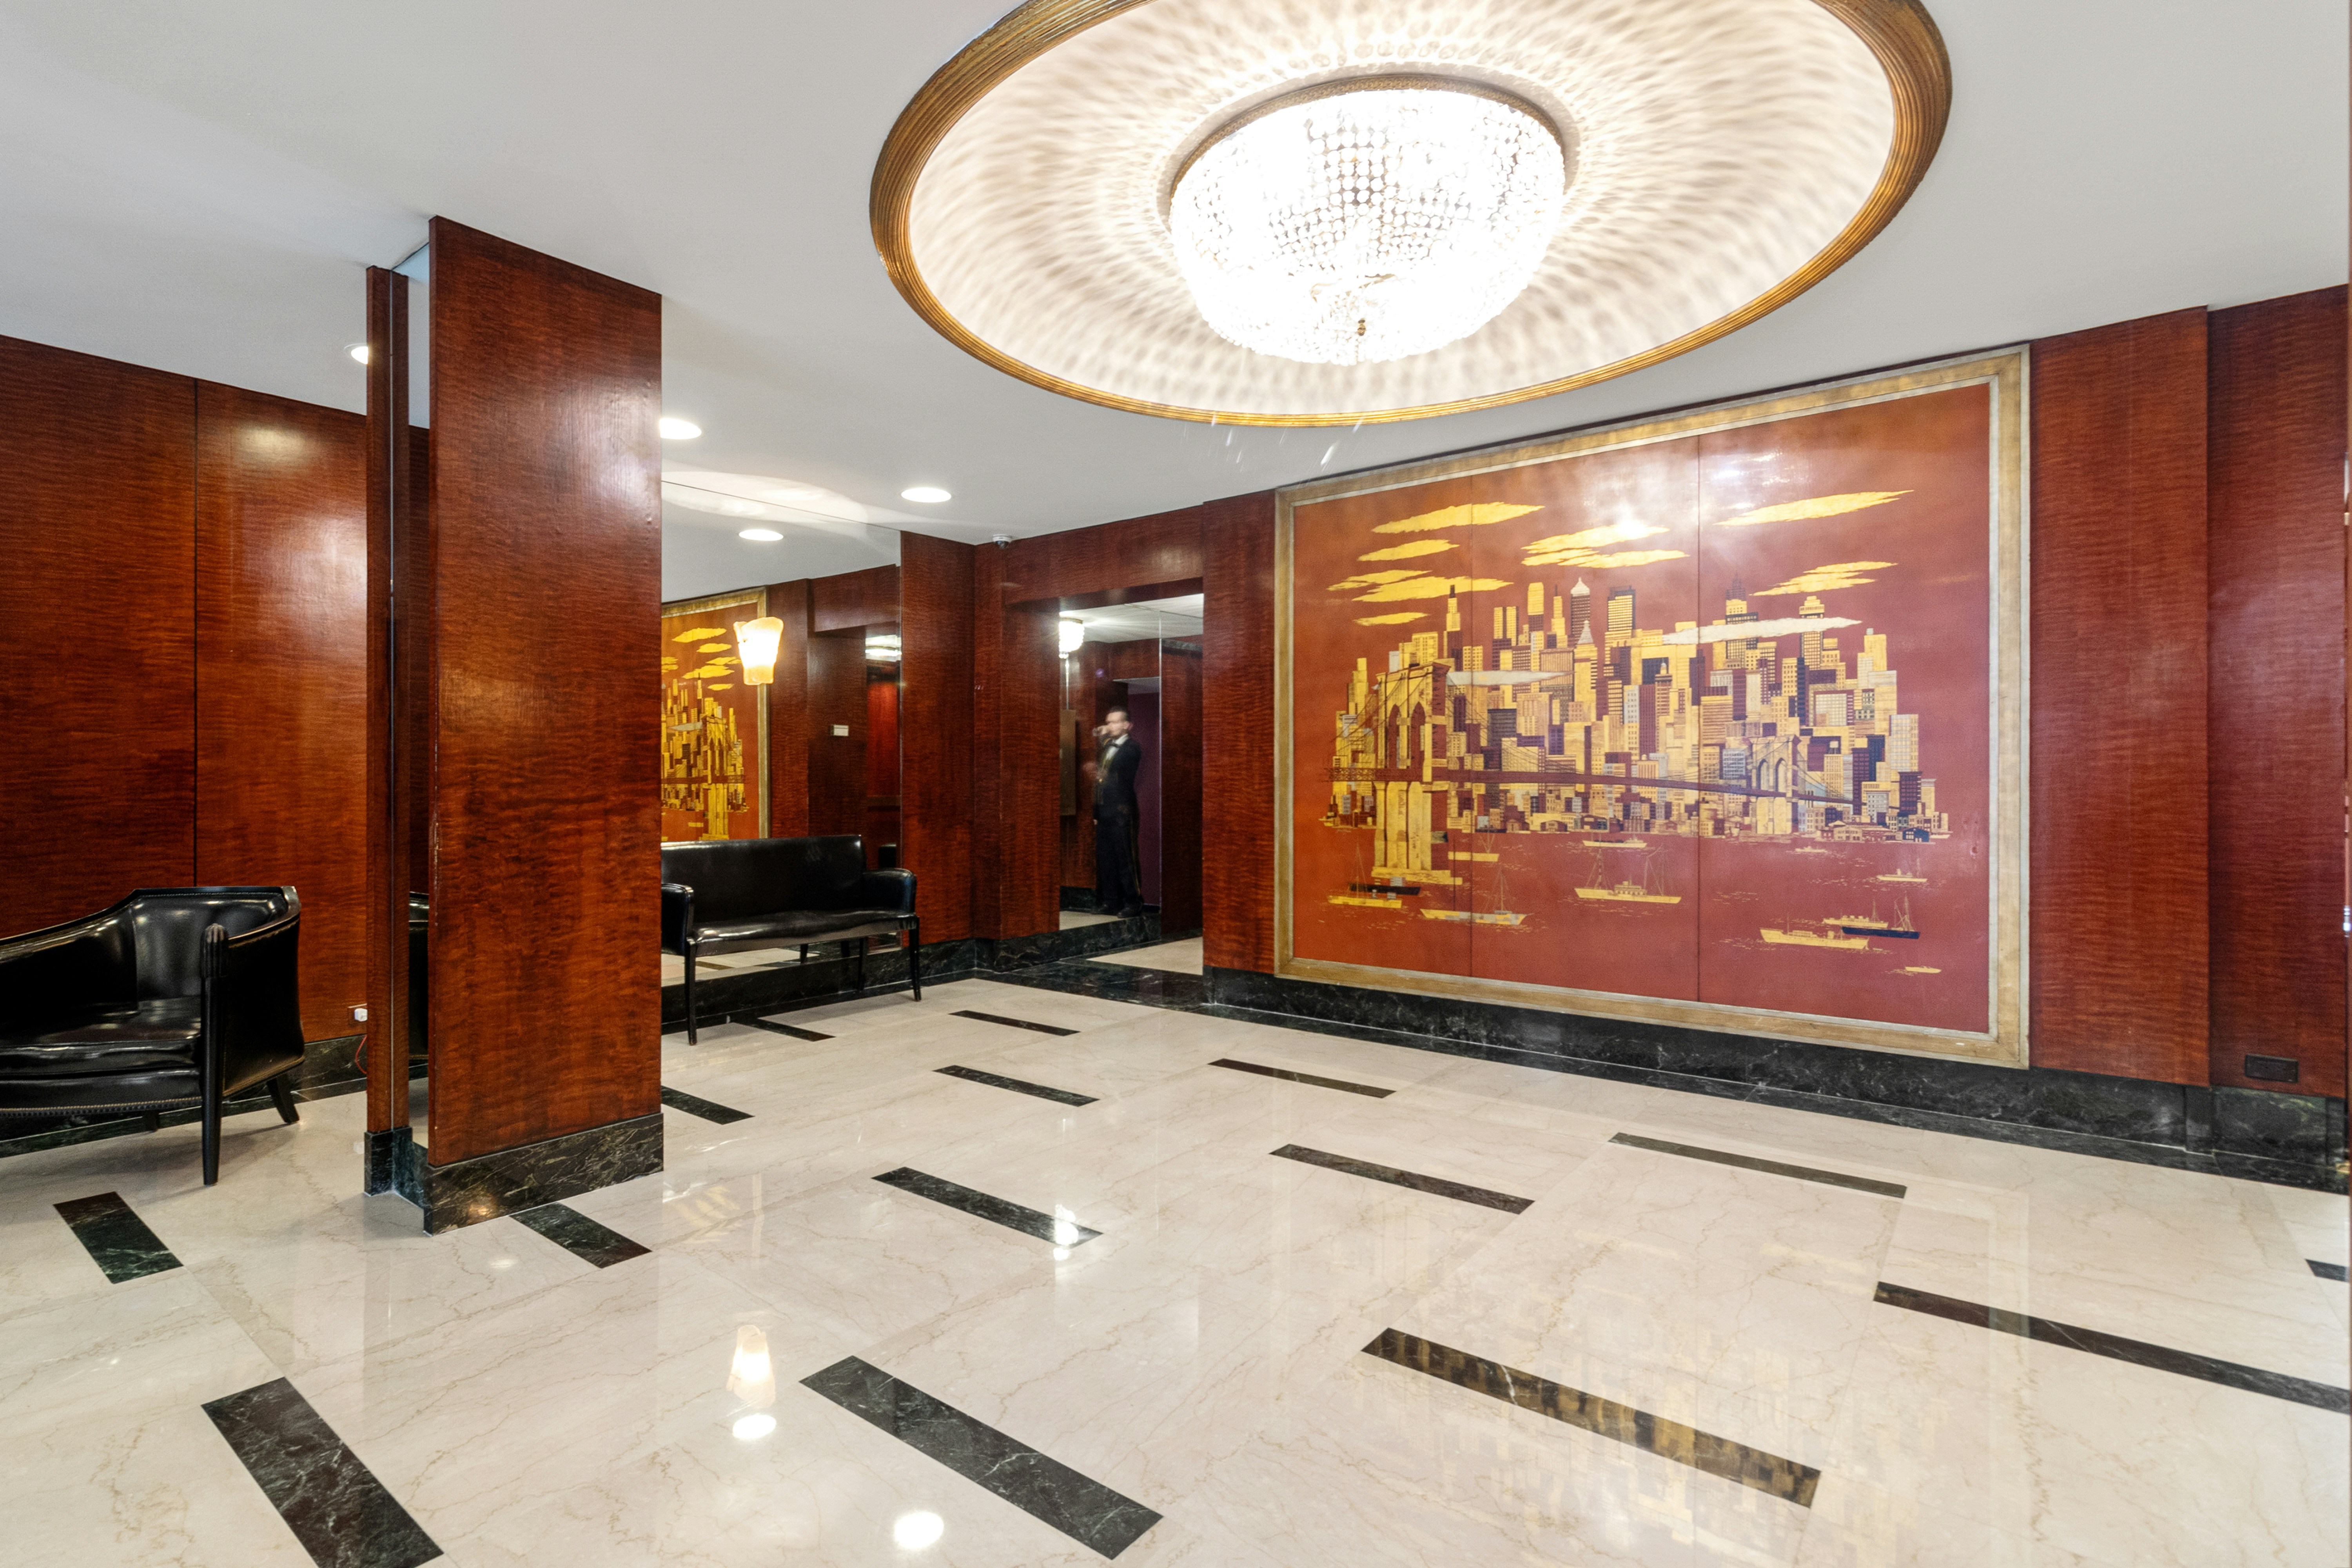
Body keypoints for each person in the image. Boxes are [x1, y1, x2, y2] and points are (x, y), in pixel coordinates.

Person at [1085, 706, 1145, 917]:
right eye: (1108, 722)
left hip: (1123, 812)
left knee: (1126, 858)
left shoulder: (1132, 748)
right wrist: (1096, 812)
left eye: (1114, 722)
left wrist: (1103, 740)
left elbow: (1116, 771)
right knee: (1106, 858)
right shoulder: (1107, 748)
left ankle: (1134, 902)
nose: (1110, 726)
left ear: (1127, 725)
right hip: (1105, 813)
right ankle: (1111, 901)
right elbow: (1100, 783)